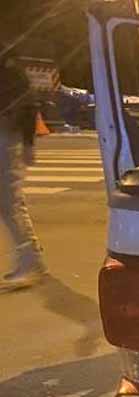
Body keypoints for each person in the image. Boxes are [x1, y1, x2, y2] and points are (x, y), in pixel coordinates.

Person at [0, 50, 46, 292]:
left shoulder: (9, 67)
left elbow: (28, 104)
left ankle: (31, 263)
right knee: (9, 202)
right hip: (6, 133)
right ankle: (31, 258)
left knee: (9, 202)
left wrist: (28, 144)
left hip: (5, 134)